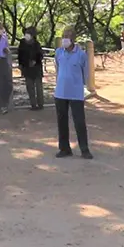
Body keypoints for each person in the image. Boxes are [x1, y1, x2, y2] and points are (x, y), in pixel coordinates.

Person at [52, 26, 92, 159]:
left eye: (67, 37)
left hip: (76, 93)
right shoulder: (58, 52)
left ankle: (84, 149)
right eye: (63, 36)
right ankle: (64, 148)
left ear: (73, 39)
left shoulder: (81, 54)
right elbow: (57, 69)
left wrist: (83, 87)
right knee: (61, 121)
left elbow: (85, 73)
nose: (65, 39)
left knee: (79, 122)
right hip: (60, 92)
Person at [17, 28, 46, 111]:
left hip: (36, 68)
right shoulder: (22, 43)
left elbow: (40, 55)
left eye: (28, 33)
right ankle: (33, 105)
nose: (27, 35)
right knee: (30, 87)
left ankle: (40, 104)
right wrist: (21, 64)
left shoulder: (37, 44)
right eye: (26, 33)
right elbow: (20, 54)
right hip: (27, 68)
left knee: (39, 87)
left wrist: (35, 61)